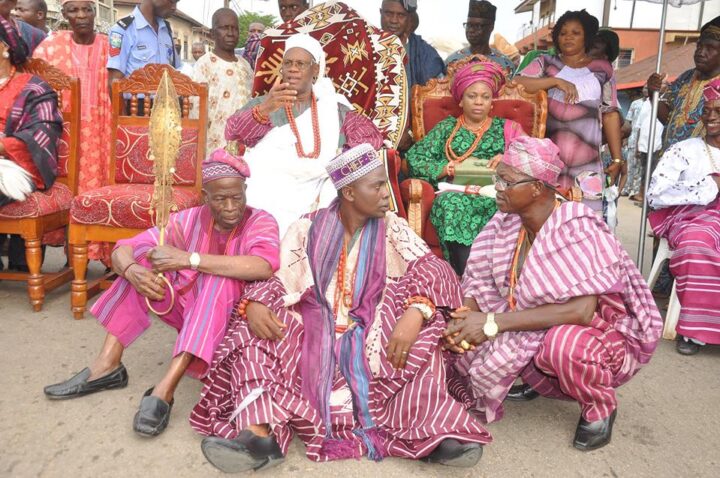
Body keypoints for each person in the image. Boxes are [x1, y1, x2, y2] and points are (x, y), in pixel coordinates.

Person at [191, 144, 490, 473]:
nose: (387, 194)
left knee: (425, 333)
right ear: (349, 192)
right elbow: (279, 278)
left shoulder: (393, 227)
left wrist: (415, 313)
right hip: (312, 335)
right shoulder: (307, 228)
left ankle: (434, 432)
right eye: (377, 186)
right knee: (252, 335)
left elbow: (432, 269)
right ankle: (258, 435)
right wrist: (256, 304)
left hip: (376, 334)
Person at [43, 149, 281, 438]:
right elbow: (124, 248)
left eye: (237, 197)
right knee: (144, 262)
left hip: (235, 325)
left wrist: (189, 259)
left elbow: (263, 265)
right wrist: (131, 270)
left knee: (219, 280)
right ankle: (107, 365)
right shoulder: (188, 219)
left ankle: (164, 389)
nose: (231, 207)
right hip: (191, 313)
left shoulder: (260, 221)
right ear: (205, 197)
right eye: (220, 199)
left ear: (245, 192)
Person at [446, 136, 662, 452]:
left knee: (561, 347)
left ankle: (599, 406)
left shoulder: (578, 227)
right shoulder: (505, 222)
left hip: (598, 333)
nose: (498, 188)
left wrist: (491, 323)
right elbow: (480, 280)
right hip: (533, 322)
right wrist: (466, 316)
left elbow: (581, 312)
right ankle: (540, 379)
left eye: (507, 181)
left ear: (537, 188)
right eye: (497, 179)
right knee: (460, 332)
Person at [225, 33, 383, 235]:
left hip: (317, 187)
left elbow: (371, 138)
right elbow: (232, 132)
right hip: (267, 184)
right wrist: (265, 109)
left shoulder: (333, 108)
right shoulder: (265, 102)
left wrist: (338, 163)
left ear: (315, 70)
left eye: (300, 64)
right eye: (288, 63)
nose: (292, 69)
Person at [406, 61, 525, 274]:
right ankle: (464, 276)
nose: (479, 102)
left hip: (496, 192)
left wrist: (508, 158)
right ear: (461, 100)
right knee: (451, 205)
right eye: (472, 96)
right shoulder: (447, 127)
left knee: (505, 205)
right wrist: (445, 168)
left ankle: (496, 275)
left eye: (485, 97)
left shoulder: (508, 128)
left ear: (492, 102)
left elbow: (534, 157)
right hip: (455, 192)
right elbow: (414, 158)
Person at [516, 9, 623, 213]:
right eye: (563, 33)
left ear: (587, 37)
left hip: (587, 160)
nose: (568, 37)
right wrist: (554, 81)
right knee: (546, 216)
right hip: (548, 158)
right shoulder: (546, 63)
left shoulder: (603, 68)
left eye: (576, 33)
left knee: (586, 218)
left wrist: (617, 159)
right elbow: (517, 83)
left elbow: (610, 113)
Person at [34, 0, 112, 264]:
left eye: (87, 9)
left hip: (103, 132)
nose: (81, 15)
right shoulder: (51, 46)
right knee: (69, 191)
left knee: (103, 190)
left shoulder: (110, 45)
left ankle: (107, 255)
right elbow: (34, 84)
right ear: (64, 14)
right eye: (74, 10)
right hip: (65, 134)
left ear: (94, 13)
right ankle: (73, 255)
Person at [647, 79, 720, 356]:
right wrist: (710, 184)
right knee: (697, 244)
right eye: (707, 111)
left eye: (718, 111)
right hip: (690, 218)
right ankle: (694, 332)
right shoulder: (685, 149)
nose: (710, 117)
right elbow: (656, 194)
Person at [0, 16, 62, 271]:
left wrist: (3, 146)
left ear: (5, 47)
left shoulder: (34, 87)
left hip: (18, 167)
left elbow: (43, 131)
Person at [647, 16, 720, 151]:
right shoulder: (686, 77)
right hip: (672, 157)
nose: (700, 52)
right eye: (699, 46)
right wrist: (653, 93)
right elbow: (668, 120)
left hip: (706, 159)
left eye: (709, 48)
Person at [192, 8, 253, 152]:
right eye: (225, 28)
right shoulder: (204, 64)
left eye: (234, 28)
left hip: (246, 147)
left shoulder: (245, 64)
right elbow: (195, 108)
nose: (231, 33)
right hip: (216, 146)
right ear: (212, 33)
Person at [106, 0, 181, 92]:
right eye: (172, 1)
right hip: (136, 100)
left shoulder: (166, 30)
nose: (174, 8)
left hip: (167, 99)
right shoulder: (123, 30)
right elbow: (114, 83)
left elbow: (176, 71)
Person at [379, 0, 444, 89]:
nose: (394, 20)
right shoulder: (366, 46)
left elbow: (438, 92)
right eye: (388, 13)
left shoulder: (425, 54)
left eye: (401, 15)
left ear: (409, 19)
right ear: (381, 12)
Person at [445, 1, 515, 76]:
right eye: (468, 25)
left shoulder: (505, 65)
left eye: (477, 26)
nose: (471, 30)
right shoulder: (452, 62)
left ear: (491, 27)